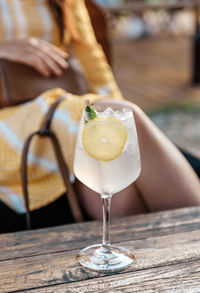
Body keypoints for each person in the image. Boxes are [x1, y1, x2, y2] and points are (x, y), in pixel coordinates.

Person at [0, 0, 199, 233]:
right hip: (10, 120)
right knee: (121, 122)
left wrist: (115, 111)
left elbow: (89, 55)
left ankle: (146, 263)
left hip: (56, 104)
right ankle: (194, 240)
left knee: (116, 163)